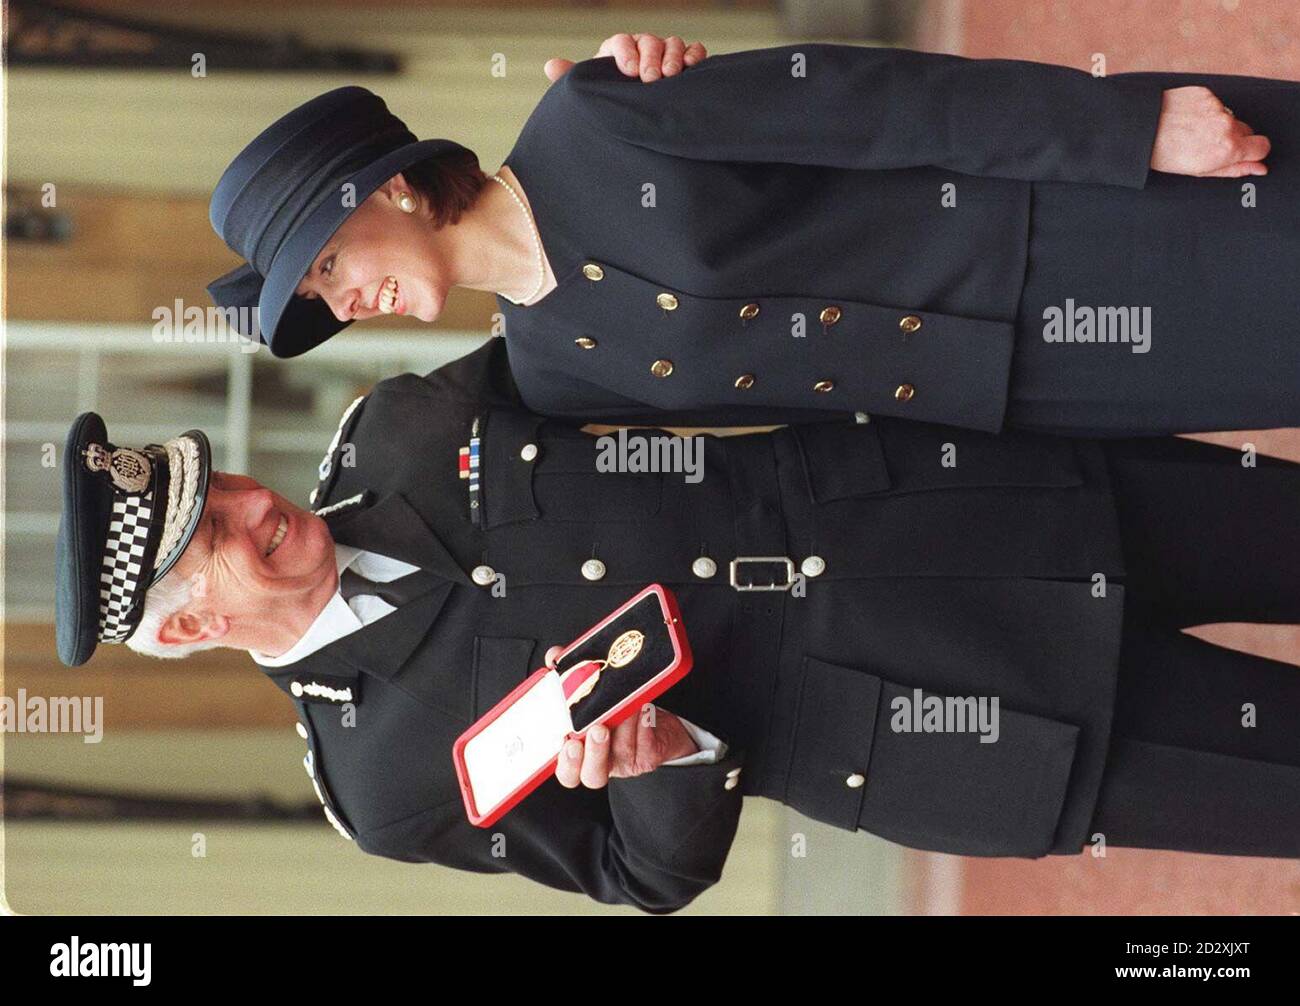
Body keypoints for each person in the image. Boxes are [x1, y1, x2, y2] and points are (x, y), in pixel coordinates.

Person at [56, 339, 1300, 913]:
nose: (251, 505)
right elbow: (639, 874)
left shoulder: (399, 431)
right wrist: (664, 768)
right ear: (184, 629)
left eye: (216, 485)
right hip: (976, 729)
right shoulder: (381, 781)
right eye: (207, 538)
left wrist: (638, 117)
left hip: (985, 508)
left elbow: (617, 330)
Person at [206, 37, 1298, 438]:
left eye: (330, 260)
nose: (344, 301)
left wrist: (1122, 126)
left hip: (1064, 219)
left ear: (389, 187)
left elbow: (888, 102)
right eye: (321, 298)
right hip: (1044, 386)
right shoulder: (549, 377)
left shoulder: (598, 116)